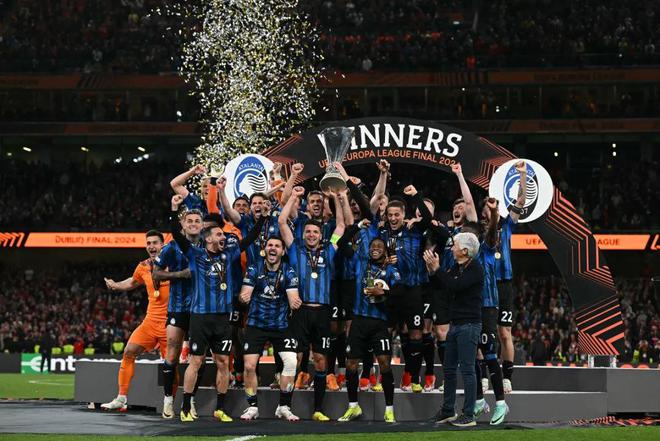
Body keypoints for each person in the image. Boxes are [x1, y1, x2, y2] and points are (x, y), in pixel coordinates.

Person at [169, 194, 264, 422]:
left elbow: (250, 238)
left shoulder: (229, 255)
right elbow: (176, 234)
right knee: (196, 361)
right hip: (200, 318)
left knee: (223, 362)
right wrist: (174, 210)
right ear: (209, 238)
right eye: (220, 235)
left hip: (222, 319)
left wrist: (262, 218)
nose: (224, 237)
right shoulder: (195, 254)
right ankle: (185, 407)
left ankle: (220, 408)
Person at [278, 186, 347, 421]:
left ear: (320, 234)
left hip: (322, 313)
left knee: (320, 361)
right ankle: (285, 406)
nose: (311, 235)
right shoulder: (294, 249)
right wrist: (294, 197)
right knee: (294, 359)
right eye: (307, 231)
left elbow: (340, 226)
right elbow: (282, 222)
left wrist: (337, 199)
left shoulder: (329, 250)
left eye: (315, 232)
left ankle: (318, 409)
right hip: (300, 311)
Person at [371, 184, 433, 392]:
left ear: (404, 214)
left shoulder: (414, 230)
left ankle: (414, 378)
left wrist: (417, 196)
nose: (393, 218)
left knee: (416, 334)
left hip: (412, 290)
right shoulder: (381, 231)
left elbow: (427, 218)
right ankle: (382, 378)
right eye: (390, 214)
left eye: (396, 214)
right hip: (389, 291)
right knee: (385, 333)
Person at [101, 230, 170, 412]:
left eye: (155, 243)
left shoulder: (174, 263)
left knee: (170, 365)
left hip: (170, 324)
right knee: (129, 352)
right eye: (148, 243)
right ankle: (121, 398)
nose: (151, 246)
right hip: (150, 321)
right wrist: (116, 285)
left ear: (163, 245)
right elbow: (132, 282)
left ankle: (170, 401)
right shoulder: (143, 266)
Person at [238, 236, 303, 421]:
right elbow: (245, 292)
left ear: (282, 251)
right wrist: (243, 297)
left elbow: (293, 296)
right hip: (256, 323)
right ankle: (252, 407)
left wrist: (295, 302)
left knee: (291, 362)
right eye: (270, 245)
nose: (273, 248)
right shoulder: (254, 268)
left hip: (281, 325)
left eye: (277, 246)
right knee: (249, 365)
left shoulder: (289, 271)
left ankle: (284, 406)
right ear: (264, 249)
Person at [338, 232, 400, 423]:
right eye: (373, 246)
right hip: (358, 321)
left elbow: (400, 295)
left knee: (385, 364)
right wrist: (356, 227)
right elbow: (341, 243)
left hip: (379, 323)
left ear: (386, 251)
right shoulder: (360, 263)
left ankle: (389, 410)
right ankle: (353, 406)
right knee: (351, 364)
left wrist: (384, 292)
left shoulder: (391, 271)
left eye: (379, 246)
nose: (375, 249)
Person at [424, 232, 482, 428]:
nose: (452, 247)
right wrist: (432, 270)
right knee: (449, 369)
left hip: (469, 325)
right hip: (455, 324)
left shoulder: (475, 268)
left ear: (465, 250)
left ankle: (469, 415)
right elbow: (442, 286)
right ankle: (448, 410)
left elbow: (455, 286)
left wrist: (438, 269)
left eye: (455, 244)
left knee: (467, 370)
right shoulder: (457, 267)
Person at [152, 205, 202, 419]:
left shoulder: (207, 245)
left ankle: (190, 401)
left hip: (201, 310)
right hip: (177, 307)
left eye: (196, 221)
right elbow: (156, 274)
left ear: (202, 225)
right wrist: (180, 274)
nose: (193, 224)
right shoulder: (171, 247)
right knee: (172, 354)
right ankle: (168, 400)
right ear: (182, 224)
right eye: (189, 221)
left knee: (197, 358)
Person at [434, 162, 479, 392]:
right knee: (442, 334)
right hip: (446, 285)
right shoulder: (447, 232)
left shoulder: (471, 230)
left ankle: (479, 384)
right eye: (455, 206)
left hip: (464, 287)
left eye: (461, 207)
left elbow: (469, 202)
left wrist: (460, 174)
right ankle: (447, 378)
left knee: (470, 338)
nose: (458, 209)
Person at [464, 198, 509, 425]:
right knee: (472, 355)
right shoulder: (463, 257)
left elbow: (492, 234)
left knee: (490, 356)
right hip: (470, 310)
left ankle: (501, 403)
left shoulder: (486, 250)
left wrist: (494, 215)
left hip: (488, 307)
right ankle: (480, 401)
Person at [495, 161, 528, 393]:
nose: (493, 209)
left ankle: (506, 376)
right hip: (485, 286)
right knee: (484, 333)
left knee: (505, 333)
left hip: (504, 285)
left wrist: (523, 175)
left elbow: (521, 200)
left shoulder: (507, 226)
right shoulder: (477, 229)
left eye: (497, 206)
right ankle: (484, 377)